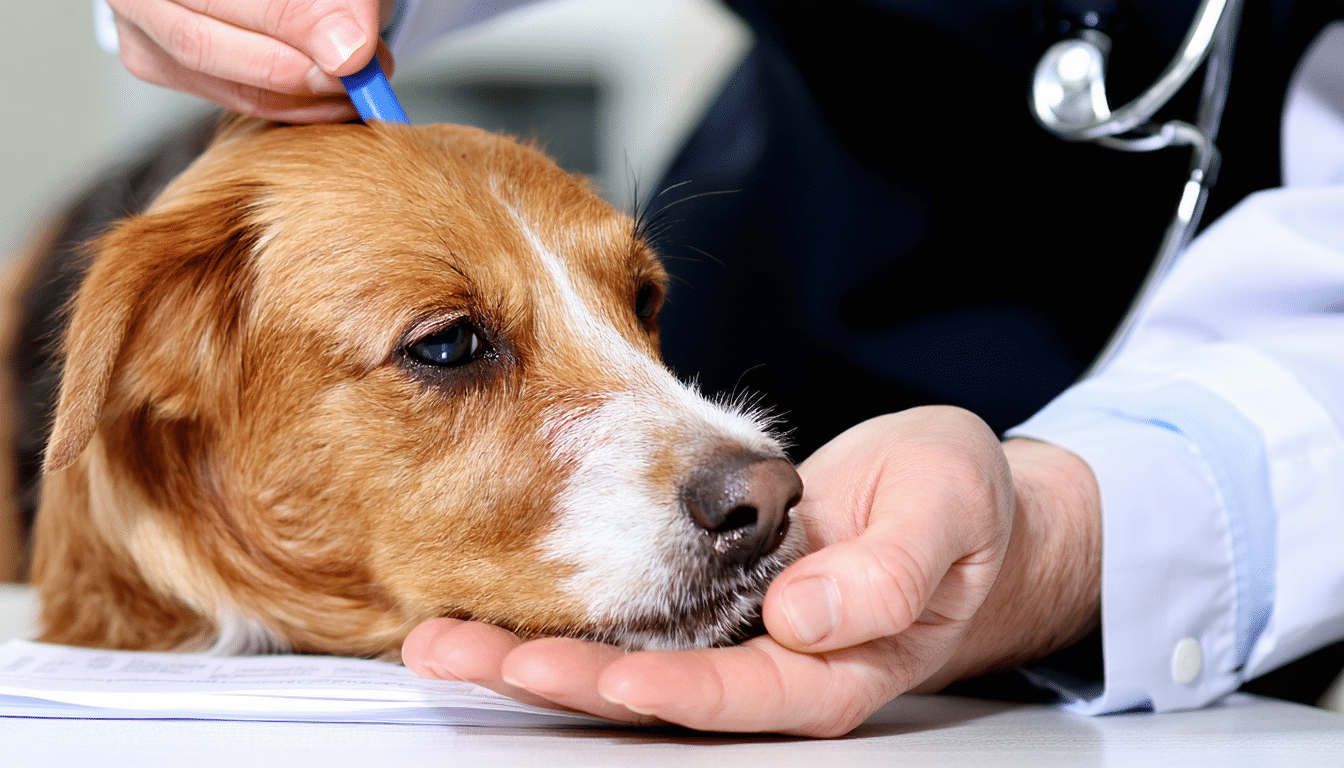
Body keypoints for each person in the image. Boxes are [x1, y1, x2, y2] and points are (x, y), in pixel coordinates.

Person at [95, 0, 1344, 736]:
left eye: (637, 303)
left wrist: (1075, 531)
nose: (742, 469)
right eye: (452, 347)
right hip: (815, 257)